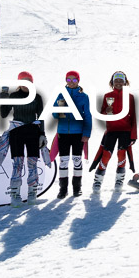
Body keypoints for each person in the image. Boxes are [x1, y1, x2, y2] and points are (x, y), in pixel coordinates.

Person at [0, 71, 50, 207]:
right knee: (18, 163)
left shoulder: (37, 97)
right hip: (17, 132)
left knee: (32, 163)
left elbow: (41, 116)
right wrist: (3, 99)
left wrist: (42, 134)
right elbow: (3, 114)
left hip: (33, 131)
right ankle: (15, 194)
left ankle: (32, 192)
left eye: (29, 81)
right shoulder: (14, 96)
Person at [93, 71, 137, 193]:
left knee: (121, 155)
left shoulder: (130, 97)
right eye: (116, 81)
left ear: (125, 82)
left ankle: (119, 180)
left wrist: (133, 135)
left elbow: (133, 116)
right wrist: (106, 111)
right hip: (111, 130)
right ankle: (98, 180)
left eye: (121, 81)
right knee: (106, 155)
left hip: (125, 131)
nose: (118, 83)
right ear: (112, 82)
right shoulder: (107, 96)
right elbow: (102, 114)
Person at [52, 70, 92, 198]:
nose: (71, 82)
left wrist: (86, 133)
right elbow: (54, 113)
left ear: (78, 81)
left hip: (78, 133)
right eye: (68, 80)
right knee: (63, 161)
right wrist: (59, 109)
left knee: (77, 160)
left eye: (74, 80)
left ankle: (77, 188)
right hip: (63, 132)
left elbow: (88, 116)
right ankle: (63, 189)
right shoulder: (60, 95)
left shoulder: (84, 96)